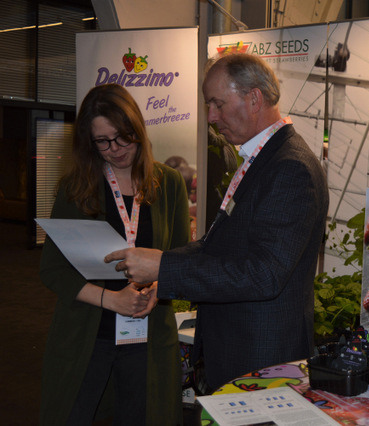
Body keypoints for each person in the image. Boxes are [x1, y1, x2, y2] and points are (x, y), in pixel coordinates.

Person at [105, 52, 329, 391]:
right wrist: (161, 275)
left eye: (218, 104)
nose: (211, 117)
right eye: (209, 105)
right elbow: (218, 246)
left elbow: (264, 274)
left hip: (261, 359)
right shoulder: (263, 158)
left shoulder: (290, 168)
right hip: (242, 351)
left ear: (254, 99)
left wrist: (164, 267)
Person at [39, 84, 191, 425]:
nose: (116, 149)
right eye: (103, 141)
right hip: (86, 336)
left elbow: (180, 261)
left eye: (123, 137)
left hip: (149, 338)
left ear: (137, 130)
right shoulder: (76, 188)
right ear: (89, 142)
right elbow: (52, 270)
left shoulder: (169, 184)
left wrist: (156, 290)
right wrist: (113, 300)